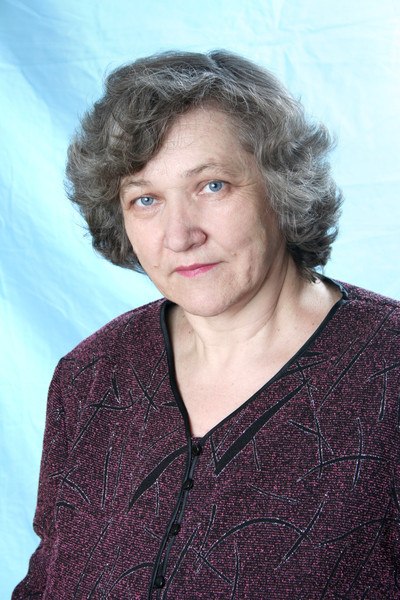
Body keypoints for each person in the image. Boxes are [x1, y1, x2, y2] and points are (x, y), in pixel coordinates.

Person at [13, 50, 399, 599]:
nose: (179, 235)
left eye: (212, 186)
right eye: (146, 199)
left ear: (281, 186)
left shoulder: (388, 370)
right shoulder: (91, 376)